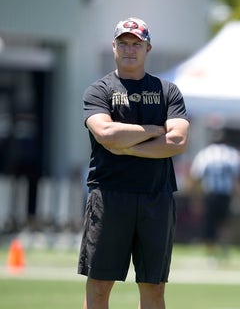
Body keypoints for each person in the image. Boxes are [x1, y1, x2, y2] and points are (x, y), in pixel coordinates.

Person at [78, 17, 190, 309]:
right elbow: (105, 133)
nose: (130, 49)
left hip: (156, 196)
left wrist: (125, 147)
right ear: (114, 47)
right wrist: (154, 130)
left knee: (153, 288)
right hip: (109, 195)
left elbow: (177, 141)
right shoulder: (99, 90)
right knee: (100, 287)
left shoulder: (168, 91)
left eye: (136, 44)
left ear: (147, 48)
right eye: (124, 43)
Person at [189, 128, 240, 261]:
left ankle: (211, 254)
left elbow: (195, 177)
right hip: (225, 194)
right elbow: (238, 178)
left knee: (210, 224)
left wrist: (195, 198)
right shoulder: (233, 154)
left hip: (210, 193)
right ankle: (223, 250)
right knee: (224, 223)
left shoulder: (205, 154)